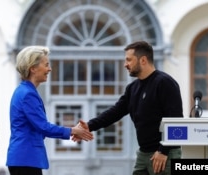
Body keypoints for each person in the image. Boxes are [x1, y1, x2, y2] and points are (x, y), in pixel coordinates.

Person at [73, 41, 183, 175]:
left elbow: (176, 120)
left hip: (164, 154)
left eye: (129, 60)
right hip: (144, 153)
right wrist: (89, 126)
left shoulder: (165, 83)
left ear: (143, 60)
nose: (125, 64)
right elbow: (115, 112)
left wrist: (163, 151)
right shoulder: (133, 88)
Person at [6, 46, 93, 175]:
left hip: (24, 159)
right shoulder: (28, 94)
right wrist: (73, 130)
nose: (49, 69)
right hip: (26, 158)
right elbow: (43, 127)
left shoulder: (25, 91)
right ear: (33, 68)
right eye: (46, 65)